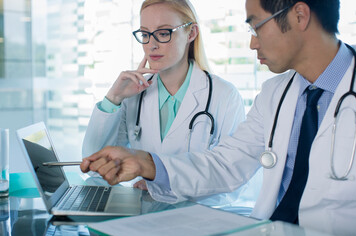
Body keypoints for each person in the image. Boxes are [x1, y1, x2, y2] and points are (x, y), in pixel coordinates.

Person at [81, 0, 356, 236]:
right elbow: (226, 164)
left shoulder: (226, 93)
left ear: (300, 16)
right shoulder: (275, 94)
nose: (252, 42)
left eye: (256, 26)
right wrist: (147, 163)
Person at [82, 0, 261, 211]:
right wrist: (114, 98)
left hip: (198, 218)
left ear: (191, 33)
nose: (152, 45)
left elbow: (231, 180)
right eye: (145, 34)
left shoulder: (224, 95)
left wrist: (161, 186)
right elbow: (94, 167)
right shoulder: (133, 96)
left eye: (164, 33)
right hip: (145, 216)